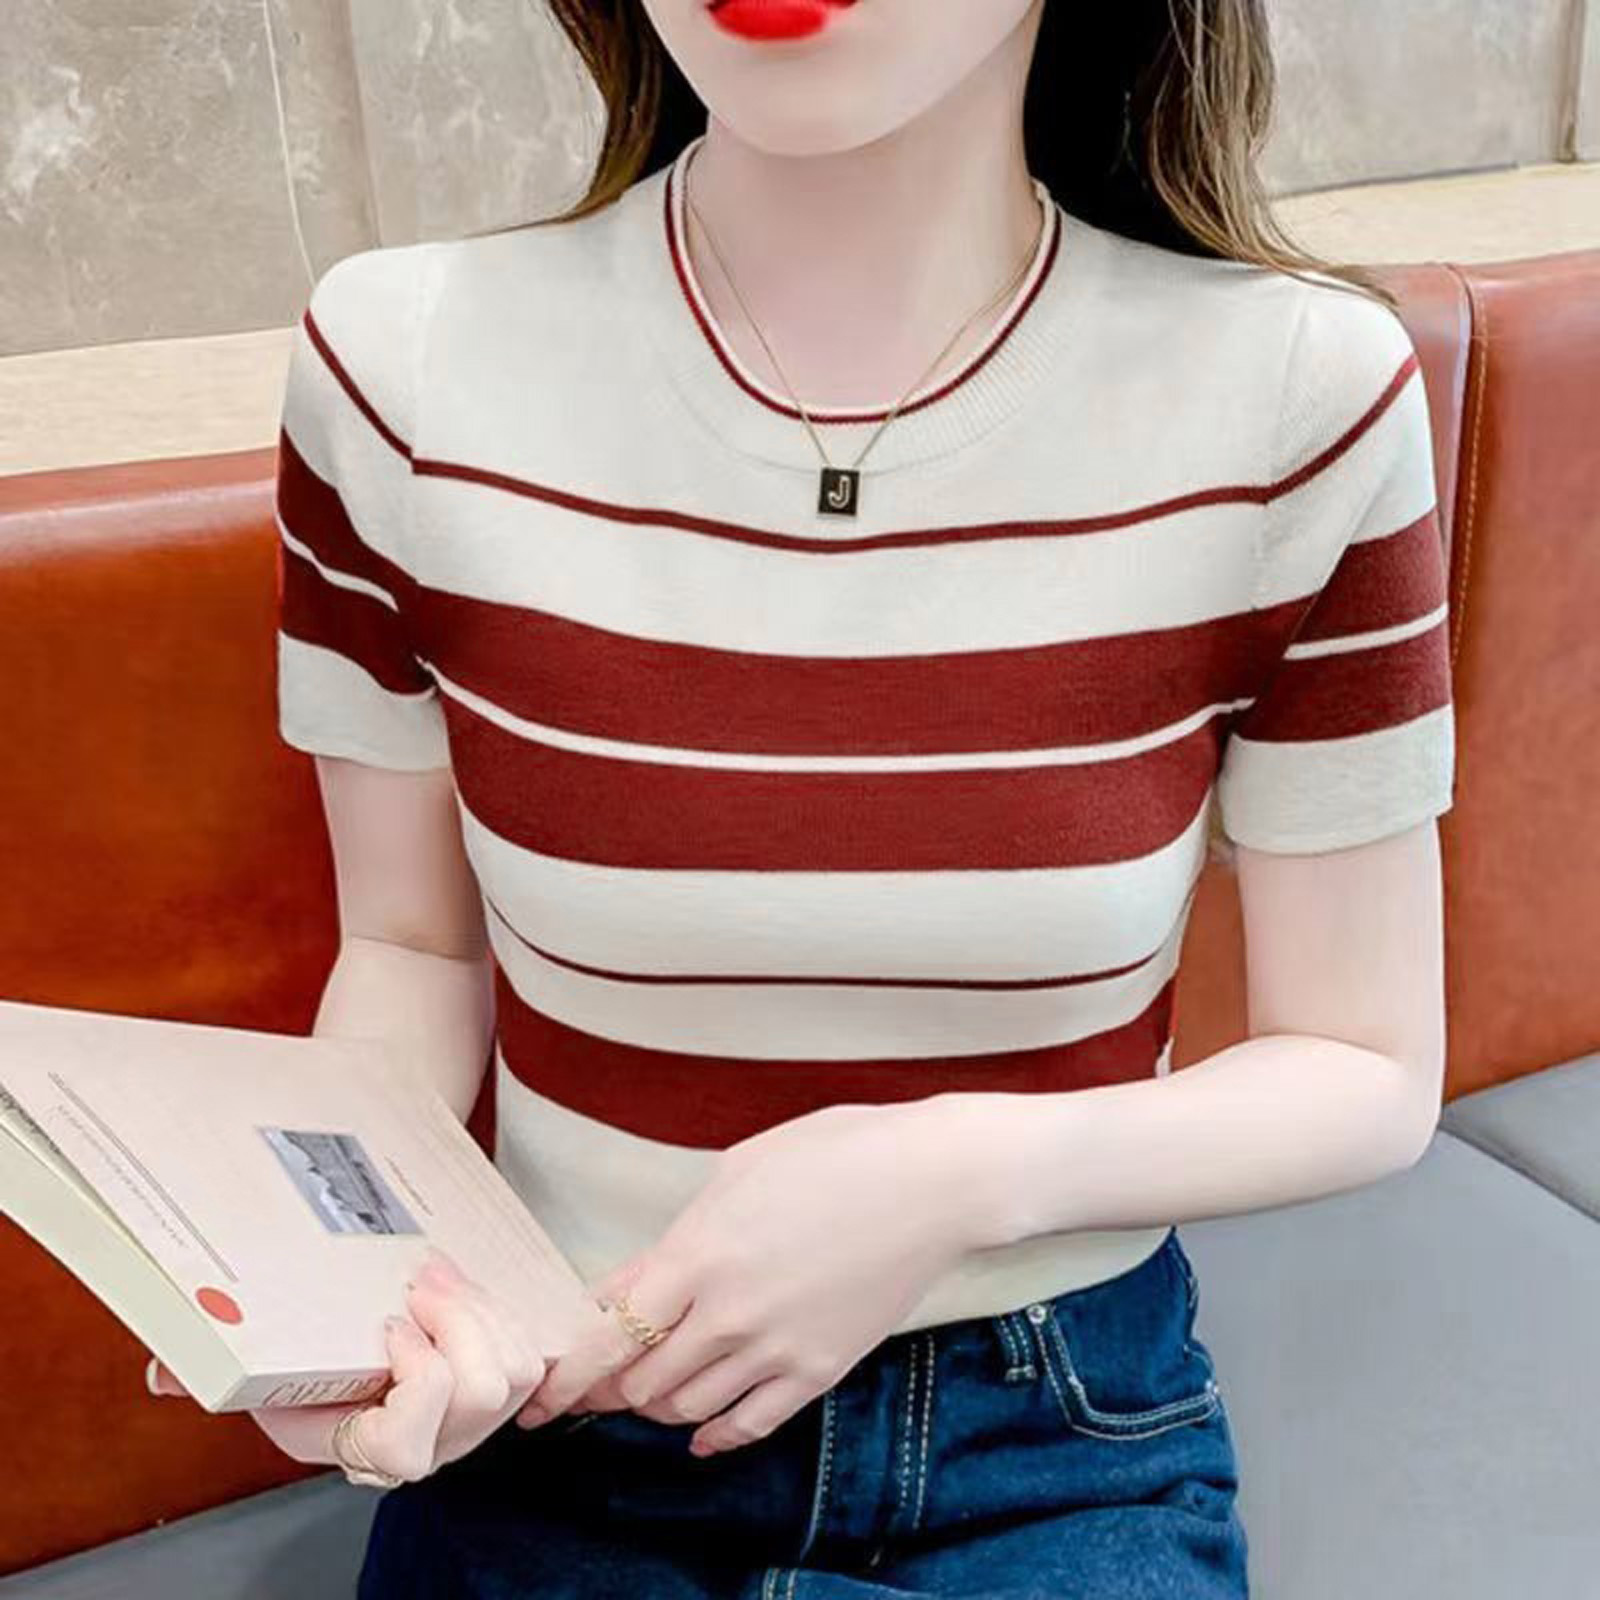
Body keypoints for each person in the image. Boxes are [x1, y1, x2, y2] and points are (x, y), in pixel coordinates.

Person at [148, 1, 1457, 1593]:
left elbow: (1367, 1062)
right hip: (564, 1396)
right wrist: (344, 1293)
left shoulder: (1301, 394)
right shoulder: (395, 366)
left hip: (1047, 1438)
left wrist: (942, 1176)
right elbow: (412, 951)